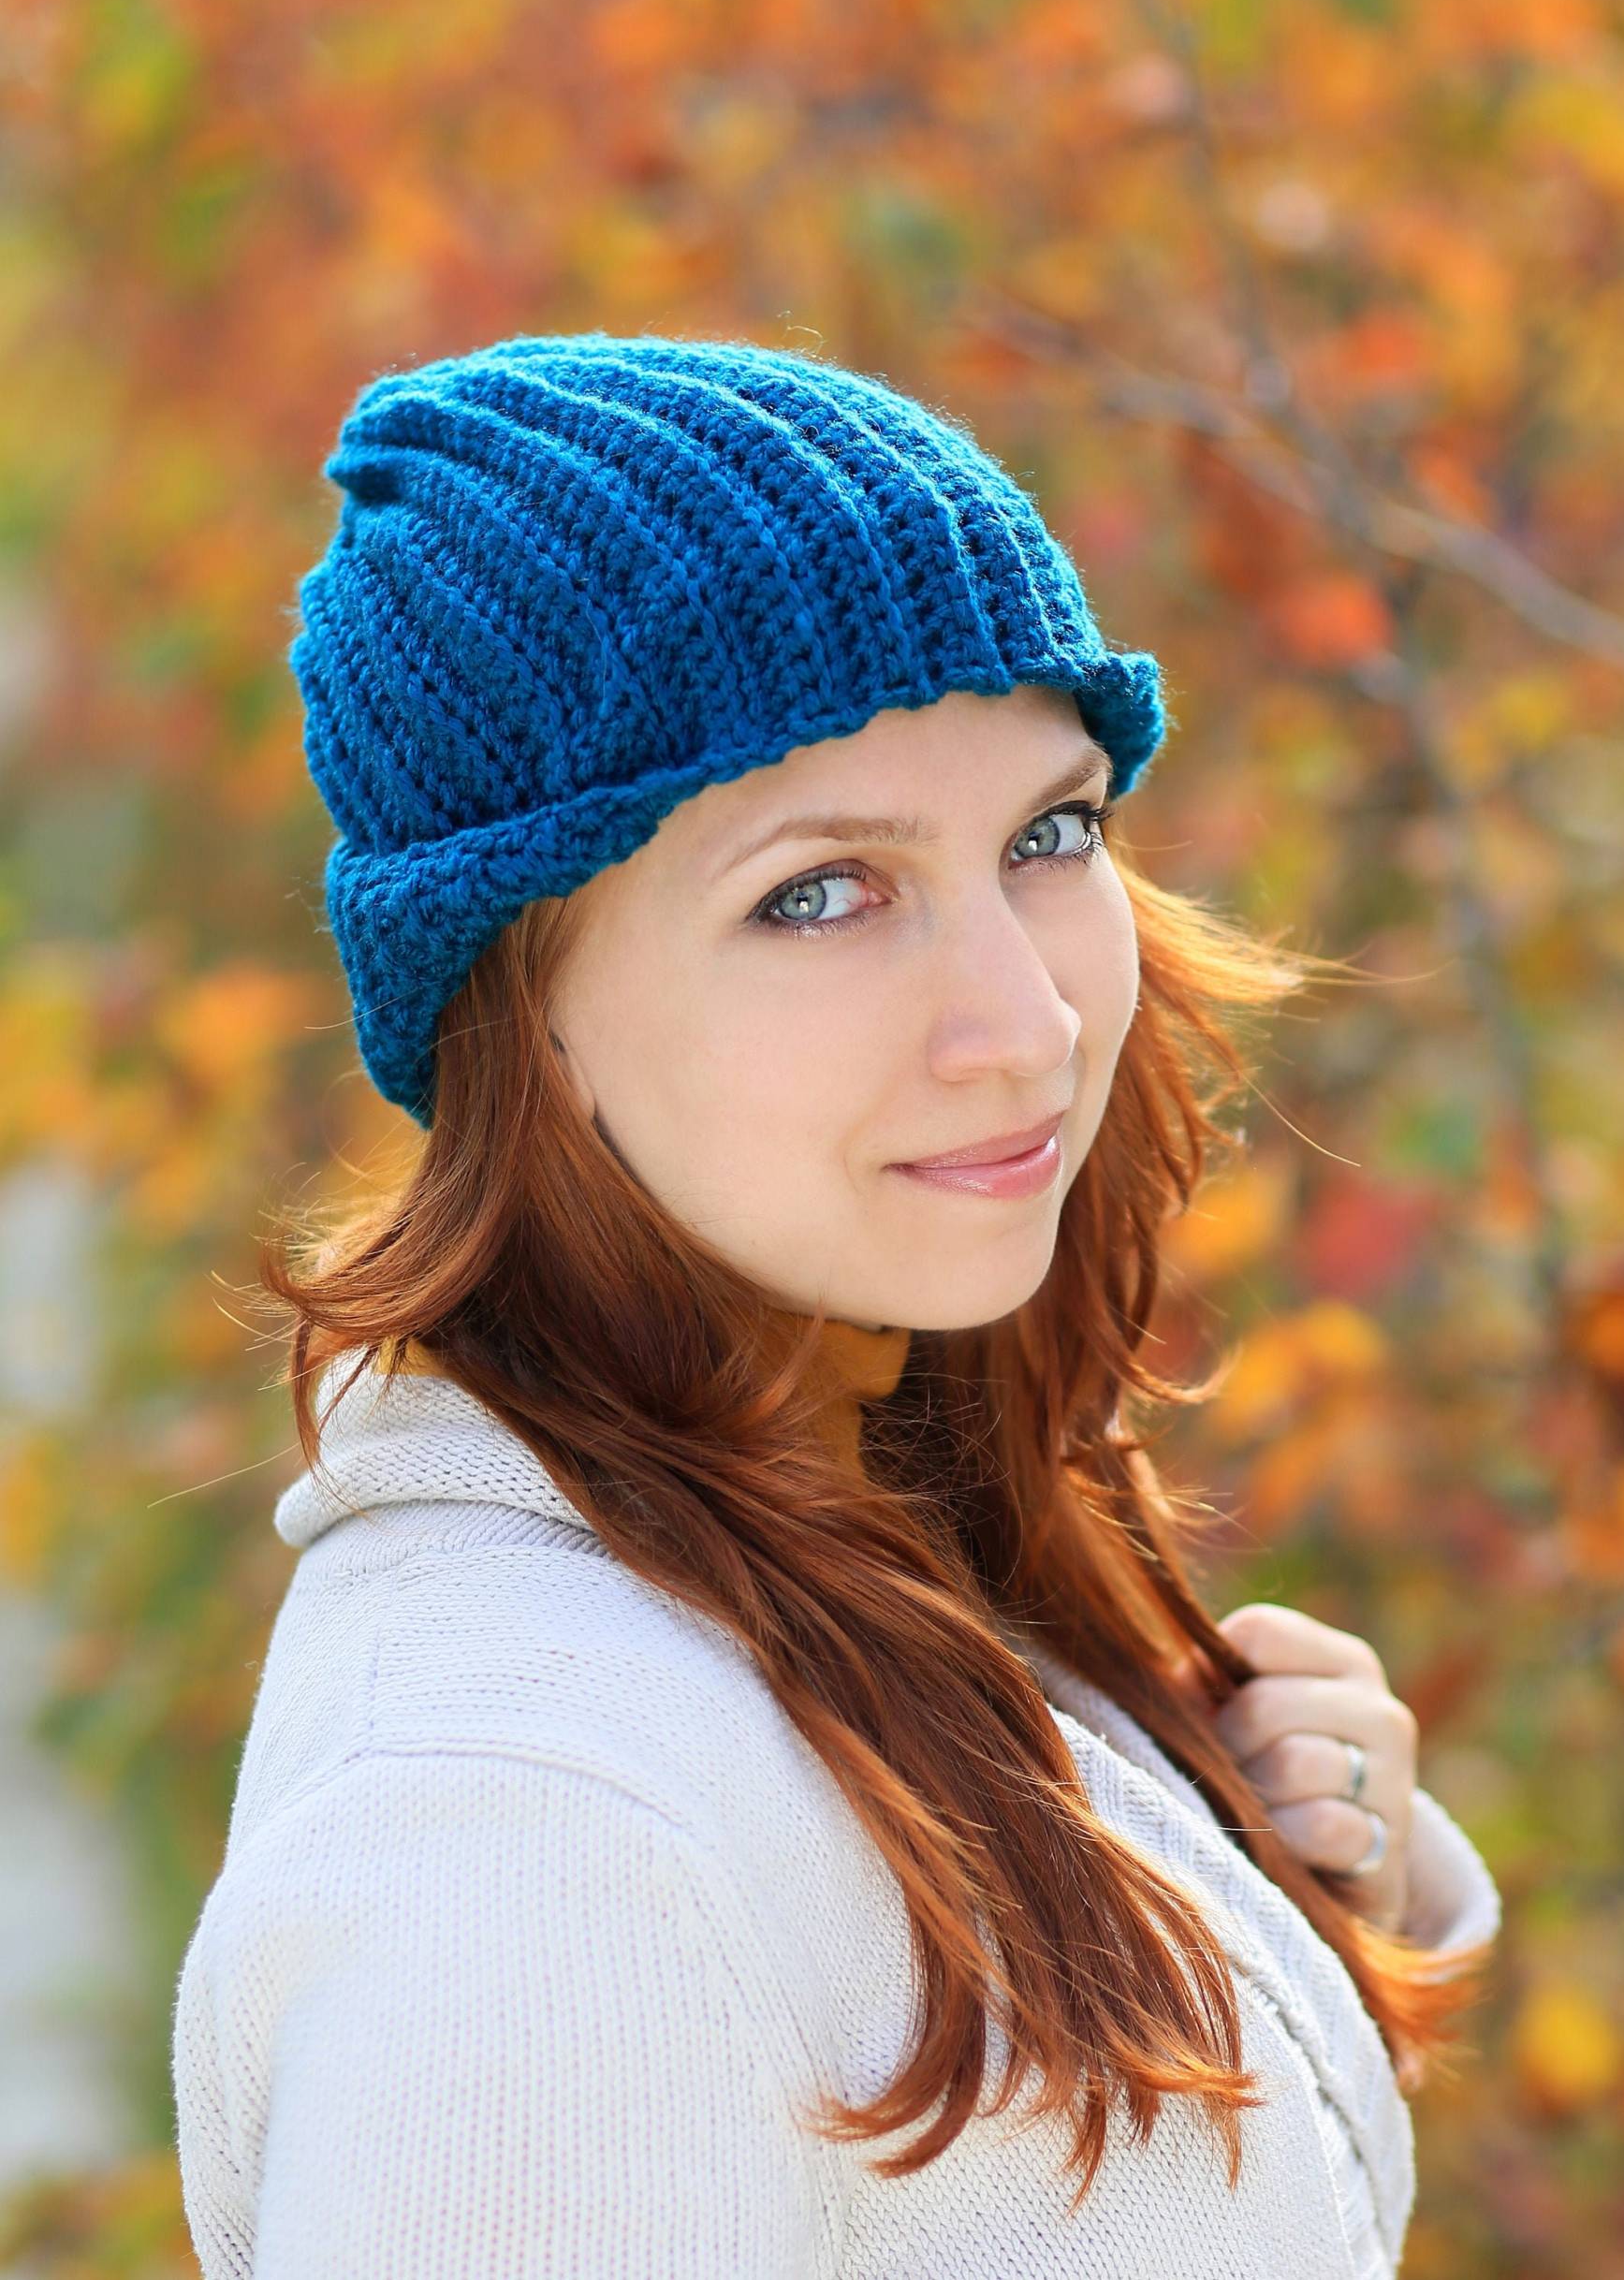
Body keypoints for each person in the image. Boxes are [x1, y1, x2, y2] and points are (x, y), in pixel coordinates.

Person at [170, 332, 1502, 2277]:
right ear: (520, 1009)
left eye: (1047, 837)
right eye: (821, 892)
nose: (1029, 1022)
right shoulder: (520, 1838)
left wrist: (1273, 1881)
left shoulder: (855, 1502)